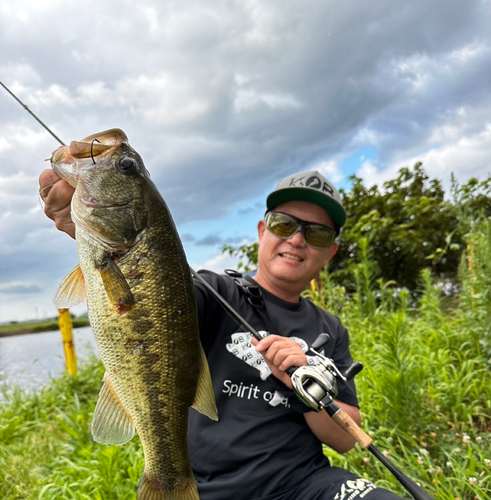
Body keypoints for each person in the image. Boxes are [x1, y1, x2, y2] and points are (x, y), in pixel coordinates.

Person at [39, 168, 404, 500]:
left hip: (305, 484)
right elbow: (152, 290)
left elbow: (344, 438)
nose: (296, 239)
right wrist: (96, 230)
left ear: (330, 252)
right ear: (263, 231)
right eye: (283, 224)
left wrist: (303, 386)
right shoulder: (213, 294)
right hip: (210, 491)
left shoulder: (330, 327)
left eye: (317, 233)